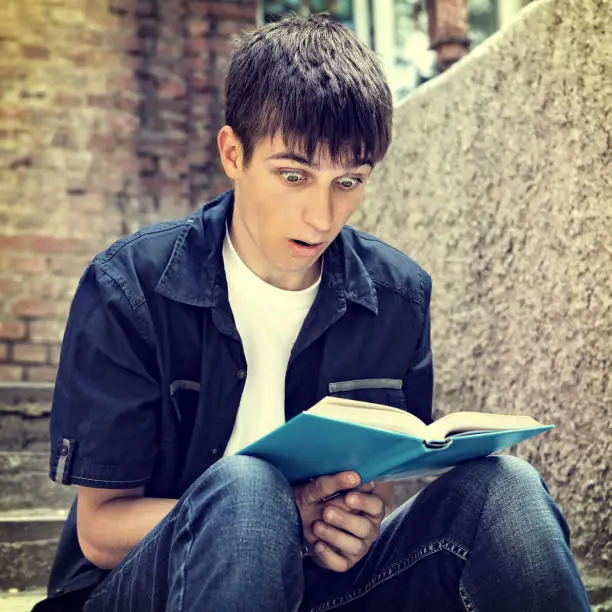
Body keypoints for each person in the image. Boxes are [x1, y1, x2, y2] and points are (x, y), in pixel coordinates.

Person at [36, 12, 590, 612]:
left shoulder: (396, 298)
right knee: (249, 491)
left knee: (507, 489)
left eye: (348, 182)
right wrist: (277, 515)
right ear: (233, 153)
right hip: (146, 592)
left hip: (315, 591)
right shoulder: (132, 288)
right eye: (293, 175)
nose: (321, 217)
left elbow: (369, 482)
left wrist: (349, 526)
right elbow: (99, 531)